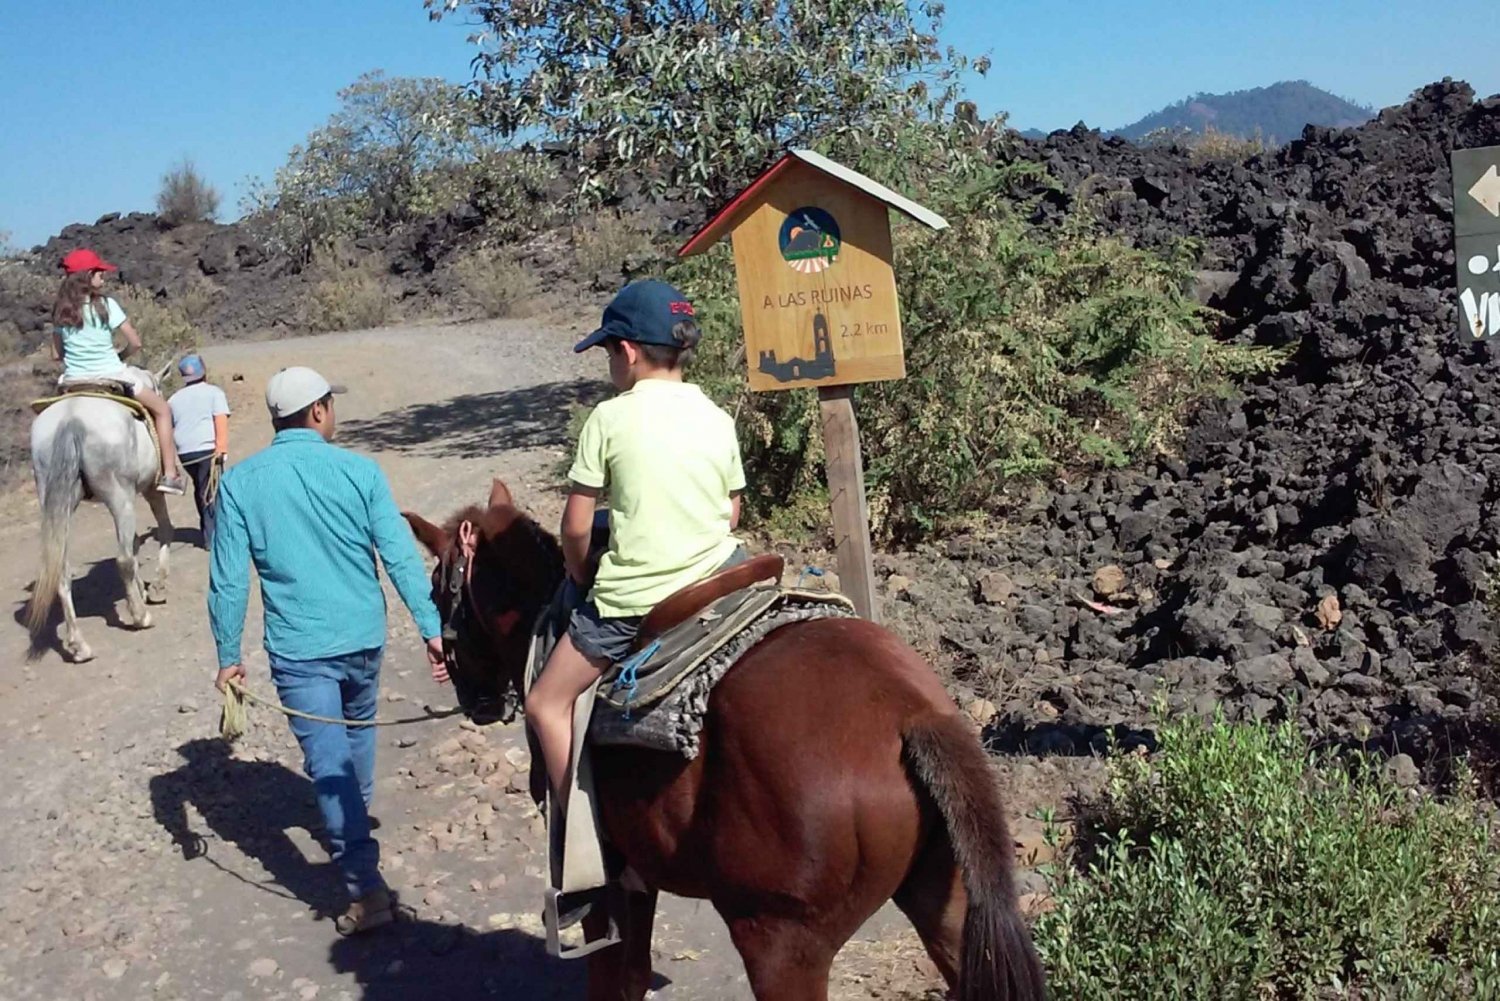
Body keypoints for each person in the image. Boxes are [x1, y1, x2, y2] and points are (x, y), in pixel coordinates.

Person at [207, 366, 449, 936]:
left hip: (299, 648)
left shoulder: (241, 483)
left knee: (329, 759)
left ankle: (363, 879)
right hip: (363, 638)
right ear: (318, 412)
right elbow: (399, 555)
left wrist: (227, 652)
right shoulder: (360, 472)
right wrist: (431, 627)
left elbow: (228, 580)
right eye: (330, 406)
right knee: (354, 741)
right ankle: (360, 858)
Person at [523, 280, 746, 812]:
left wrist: (580, 575)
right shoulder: (717, 416)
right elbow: (732, 508)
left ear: (626, 351)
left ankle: (578, 831)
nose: (608, 364)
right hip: (721, 577)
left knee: (545, 704)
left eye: (606, 351)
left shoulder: (609, 417)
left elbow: (576, 527)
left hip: (639, 599)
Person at [50, 249, 186, 494]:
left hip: (72, 380)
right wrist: (119, 356)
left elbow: (56, 354)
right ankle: (170, 474)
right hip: (112, 374)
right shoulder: (106, 305)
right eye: (99, 272)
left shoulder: (61, 311)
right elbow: (135, 342)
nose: (103, 276)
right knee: (163, 410)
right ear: (88, 275)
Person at [167, 354, 230, 547]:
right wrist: (221, 448)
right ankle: (213, 537)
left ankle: (208, 530)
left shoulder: (173, 399)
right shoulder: (214, 392)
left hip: (185, 453)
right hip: (207, 449)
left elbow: (169, 428)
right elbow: (220, 419)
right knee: (211, 490)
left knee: (200, 488)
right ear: (204, 371)